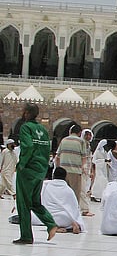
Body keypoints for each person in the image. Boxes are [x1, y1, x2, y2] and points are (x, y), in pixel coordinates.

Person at [13, 103, 59, 245]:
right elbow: (46, 150)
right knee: (34, 201)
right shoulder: (42, 130)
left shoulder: (26, 127)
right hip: (40, 170)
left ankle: (26, 236)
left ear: (26, 113)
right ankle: (50, 223)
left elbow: (28, 146)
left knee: (23, 203)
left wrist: (21, 164)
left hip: (28, 170)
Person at [37, 167, 84, 233]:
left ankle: (55, 227)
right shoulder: (69, 190)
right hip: (65, 219)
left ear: (53, 175)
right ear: (65, 177)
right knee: (76, 217)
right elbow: (74, 208)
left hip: (49, 217)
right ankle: (69, 228)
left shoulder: (46, 185)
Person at [55, 124, 84, 203]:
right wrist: (82, 169)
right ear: (79, 132)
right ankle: (73, 210)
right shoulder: (81, 141)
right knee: (74, 193)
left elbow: (58, 156)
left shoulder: (64, 140)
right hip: (75, 171)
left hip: (63, 171)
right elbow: (84, 157)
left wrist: (58, 168)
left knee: (63, 193)